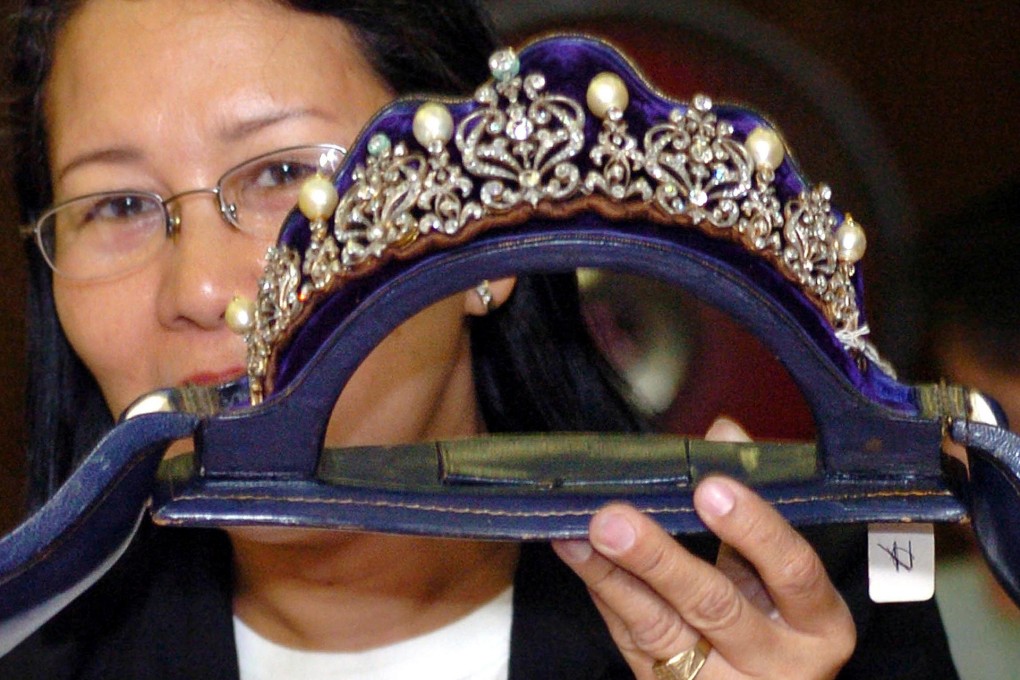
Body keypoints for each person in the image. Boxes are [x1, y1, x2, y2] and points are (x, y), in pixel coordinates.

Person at [0, 1, 958, 678]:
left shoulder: (807, 615)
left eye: (285, 174)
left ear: (490, 248)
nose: (200, 289)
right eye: (118, 205)